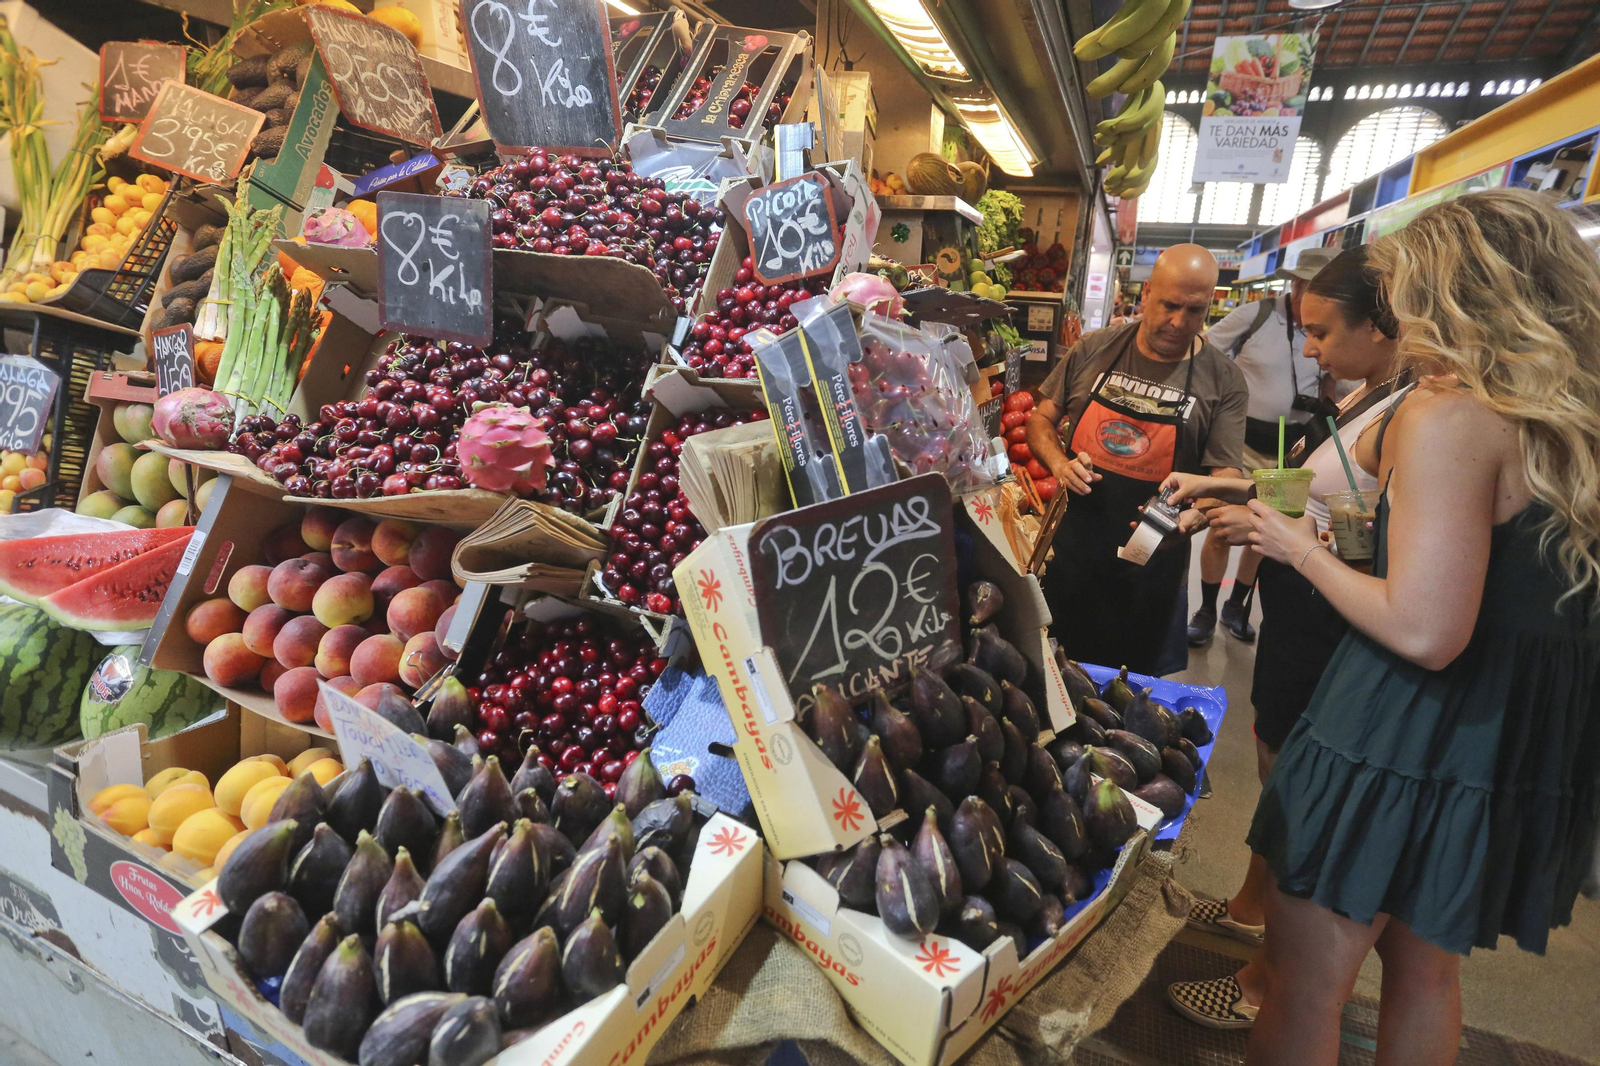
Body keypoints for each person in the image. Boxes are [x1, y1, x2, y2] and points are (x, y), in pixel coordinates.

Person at [1166, 191, 1600, 1066]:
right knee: (1425, 973)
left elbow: (1425, 628)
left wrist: (1294, 545)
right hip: (1498, 744)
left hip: (1404, 732)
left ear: (1452, 295)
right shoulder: (1568, 421)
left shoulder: (1450, 416)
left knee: (1300, 977)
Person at [1163, 246, 1411, 1030]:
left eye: (1323, 331)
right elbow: (1319, 495)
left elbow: (1392, 556)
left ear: (1383, 325)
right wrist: (1228, 486)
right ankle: (1251, 910)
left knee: (1305, 811)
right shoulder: (1374, 392)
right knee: (1281, 786)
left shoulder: (1419, 419)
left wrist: (1277, 531)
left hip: (1338, 641)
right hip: (1301, 628)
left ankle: (1263, 984)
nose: (1309, 350)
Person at [1027, 244, 1248, 675]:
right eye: (1169, 305)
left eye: (1195, 311)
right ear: (1147, 292)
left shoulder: (1223, 379)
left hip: (1152, 563)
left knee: (1129, 694)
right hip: (1070, 551)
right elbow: (1040, 419)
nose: (1179, 322)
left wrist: (1196, 517)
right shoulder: (1095, 348)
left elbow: (1225, 475)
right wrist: (1058, 463)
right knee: (1050, 672)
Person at [1188, 249, 1337, 647]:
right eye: (1305, 283)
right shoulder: (1257, 316)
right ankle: (1204, 606)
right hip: (1240, 443)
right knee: (1220, 525)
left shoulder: (1330, 327)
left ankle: (1236, 604)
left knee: (1263, 532)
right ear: (1295, 283)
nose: (1309, 292)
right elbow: (1205, 348)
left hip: (1293, 448)